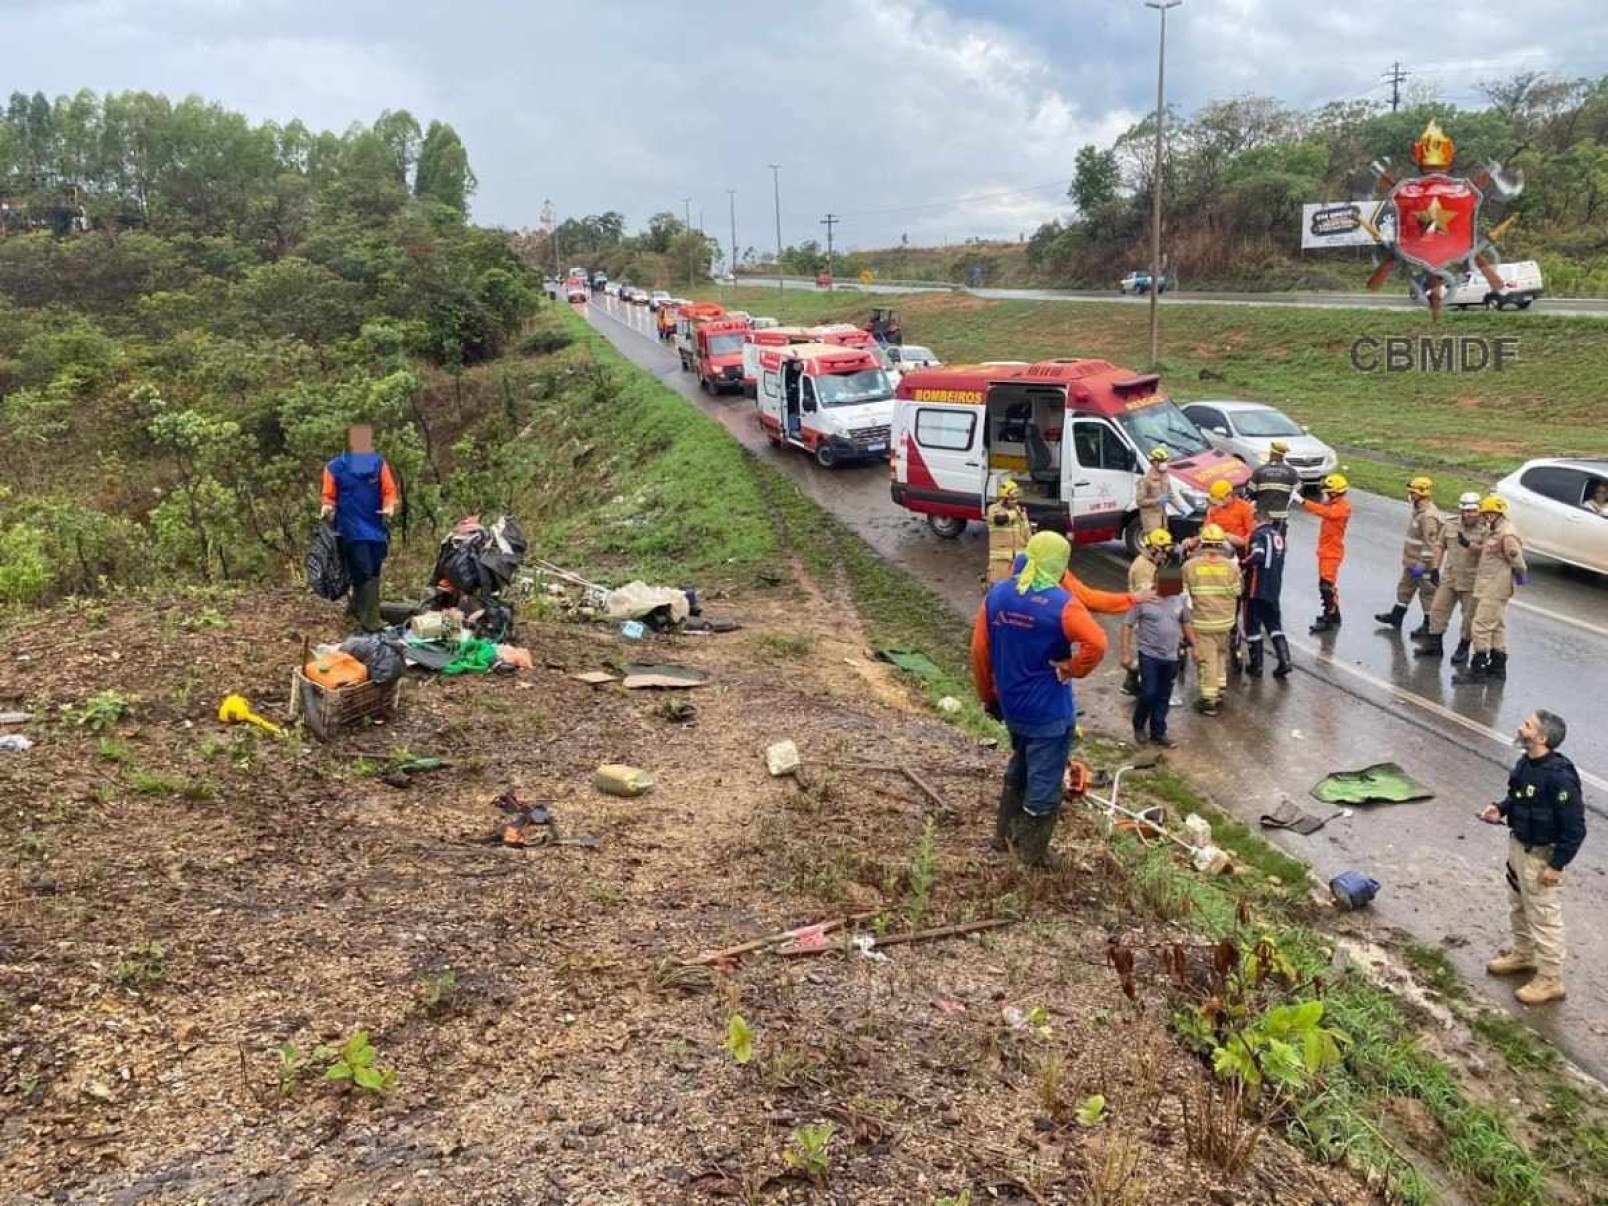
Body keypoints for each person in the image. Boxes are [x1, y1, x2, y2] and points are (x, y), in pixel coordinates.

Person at [972, 532, 1108, 868]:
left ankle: (1003, 838)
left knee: (1020, 763)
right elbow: (1097, 643)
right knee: (1045, 782)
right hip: (1049, 712)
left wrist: (989, 697)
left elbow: (979, 651)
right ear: (1061, 565)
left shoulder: (998, 595)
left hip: (1013, 706)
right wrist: (1073, 668)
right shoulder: (1062, 604)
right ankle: (1032, 855)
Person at [1480, 710, 1586, 1005]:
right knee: (1519, 906)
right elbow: (1518, 798)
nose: (1520, 727)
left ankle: (1550, 980)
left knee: (1543, 917)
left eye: (1527, 725)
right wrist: (1499, 809)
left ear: (1541, 738)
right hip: (1519, 848)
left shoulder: (1560, 778)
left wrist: (1556, 865)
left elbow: (1575, 829)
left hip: (1541, 857)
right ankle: (1523, 954)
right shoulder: (1526, 763)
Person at [320, 424, 399, 633]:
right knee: (362, 568)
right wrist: (327, 508)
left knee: (374, 567)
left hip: (375, 525)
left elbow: (389, 490)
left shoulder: (377, 464)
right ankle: (370, 620)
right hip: (350, 527)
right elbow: (328, 496)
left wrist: (389, 506)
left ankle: (357, 609)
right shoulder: (334, 468)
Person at [1453, 494, 1528, 684]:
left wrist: (1520, 574)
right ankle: (1497, 667)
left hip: (1495, 586)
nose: (1485, 518)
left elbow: (1516, 558)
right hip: (1487, 584)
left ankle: (1477, 669)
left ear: (1497, 514)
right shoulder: (1493, 531)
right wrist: (1468, 544)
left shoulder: (1506, 533)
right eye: (1484, 514)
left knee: (1481, 625)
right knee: (1496, 626)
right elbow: (1486, 551)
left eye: (1488, 514)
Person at [1121, 584, 1195, 749]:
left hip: (1171, 656)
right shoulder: (1144, 599)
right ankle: (1139, 725)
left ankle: (1158, 732)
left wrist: (1195, 645)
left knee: (1163, 696)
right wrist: (1125, 653)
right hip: (1149, 655)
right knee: (1149, 692)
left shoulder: (1179, 599)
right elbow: (1127, 625)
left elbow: (1186, 623)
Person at [1414, 492, 1482, 664]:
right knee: (1438, 610)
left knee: (1469, 616)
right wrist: (1435, 568)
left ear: (1479, 511)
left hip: (1472, 580)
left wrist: (1470, 545)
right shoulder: (1451, 524)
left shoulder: (1486, 530)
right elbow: (1439, 545)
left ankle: (1463, 647)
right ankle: (1434, 645)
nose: (1469, 515)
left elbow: (1489, 552)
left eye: (1473, 511)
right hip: (1450, 576)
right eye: (1466, 511)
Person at [1181, 523, 1241, 716]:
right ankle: (1220, 688)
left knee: (1207, 661)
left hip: (1203, 622)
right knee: (1221, 654)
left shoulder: (1190, 566)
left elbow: (1179, 595)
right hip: (1225, 621)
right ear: (1221, 545)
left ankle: (1209, 701)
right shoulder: (1231, 567)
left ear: (1203, 544)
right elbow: (1238, 591)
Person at [1376, 476, 1443, 635]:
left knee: (1427, 594)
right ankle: (1396, 616)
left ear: (1421, 494)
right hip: (1411, 562)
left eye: (1413, 493)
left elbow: (1430, 544)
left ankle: (1428, 626)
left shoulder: (1428, 516)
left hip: (1423, 564)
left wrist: (1422, 563)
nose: (1410, 495)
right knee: (1405, 588)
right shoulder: (1418, 511)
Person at [1121, 528, 1174, 696]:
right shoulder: (1144, 568)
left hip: (1147, 616)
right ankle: (1142, 688)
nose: (1165, 557)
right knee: (1151, 653)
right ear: (1153, 549)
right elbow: (1151, 597)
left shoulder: (1151, 564)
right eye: (1163, 552)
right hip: (1146, 618)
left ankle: (1132, 682)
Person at [1301, 472, 1351, 634]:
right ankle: (1335, 614)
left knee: (1326, 586)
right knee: (1328, 584)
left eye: (1328, 491)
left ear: (1335, 492)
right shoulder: (1335, 505)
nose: (1325, 493)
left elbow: (1324, 512)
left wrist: (1302, 501)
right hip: (1327, 550)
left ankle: (1328, 618)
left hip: (1332, 552)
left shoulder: (1341, 508)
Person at [1243, 514, 1291, 679]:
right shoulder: (1278, 535)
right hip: (1274, 587)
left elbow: (1258, 555)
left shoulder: (1258, 534)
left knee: (1252, 624)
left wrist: (1241, 563)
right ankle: (1285, 660)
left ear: (1256, 521)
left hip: (1256, 587)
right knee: (1274, 624)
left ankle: (1257, 665)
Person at [984, 479, 1033, 584]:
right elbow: (999, 520)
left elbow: (1027, 533)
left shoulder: (1020, 511)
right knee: (997, 590)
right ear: (1003, 499)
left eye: (1016, 498)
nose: (1015, 501)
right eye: (1012, 499)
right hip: (1000, 563)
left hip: (1018, 562)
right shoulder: (993, 509)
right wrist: (1015, 513)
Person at [1250, 441, 1300, 525]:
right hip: (1280, 516)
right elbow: (1297, 492)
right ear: (1283, 455)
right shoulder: (1291, 472)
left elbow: (1250, 492)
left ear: (1271, 452)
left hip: (1262, 516)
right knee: (1278, 537)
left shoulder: (1259, 470)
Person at [1135, 448, 1170, 535]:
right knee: (1153, 545)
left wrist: (1183, 509)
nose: (1165, 464)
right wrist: (1157, 501)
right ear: (1155, 462)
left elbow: (1171, 494)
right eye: (1162, 461)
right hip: (1150, 521)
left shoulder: (1164, 475)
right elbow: (1140, 501)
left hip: (1162, 519)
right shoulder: (1145, 480)